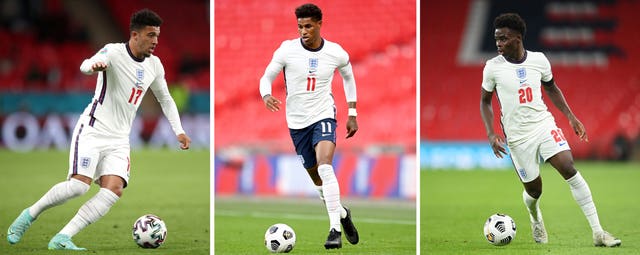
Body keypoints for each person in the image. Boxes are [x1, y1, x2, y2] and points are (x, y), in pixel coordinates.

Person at [6, 9, 191, 250]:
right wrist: (95, 66)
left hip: (120, 139)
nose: (156, 41)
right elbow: (85, 65)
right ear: (135, 35)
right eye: (151, 35)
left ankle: (62, 237)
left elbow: (165, 99)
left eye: (157, 35)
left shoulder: (155, 65)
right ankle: (29, 215)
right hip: (93, 130)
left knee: (114, 189)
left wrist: (179, 130)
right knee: (78, 186)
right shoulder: (113, 52)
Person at [480, 13, 621, 247]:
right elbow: (485, 101)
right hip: (517, 137)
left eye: (503, 38)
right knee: (535, 191)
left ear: (517, 38)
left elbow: (552, 88)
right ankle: (535, 215)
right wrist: (490, 132)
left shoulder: (539, 60)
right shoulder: (492, 68)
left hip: (543, 125)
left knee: (568, 167)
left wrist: (571, 117)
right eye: (496, 39)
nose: (498, 43)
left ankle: (598, 232)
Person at [259, 3, 359, 250]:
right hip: (297, 123)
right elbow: (267, 76)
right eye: (300, 26)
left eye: (308, 26)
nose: (303, 31)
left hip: (324, 115)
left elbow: (348, 76)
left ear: (319, 24)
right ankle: (343, 215)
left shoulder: (335, 52)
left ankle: (334, 229)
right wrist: (266, 94)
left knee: (326, 167)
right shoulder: (287, 50)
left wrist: (352, 111)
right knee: (318, 182)